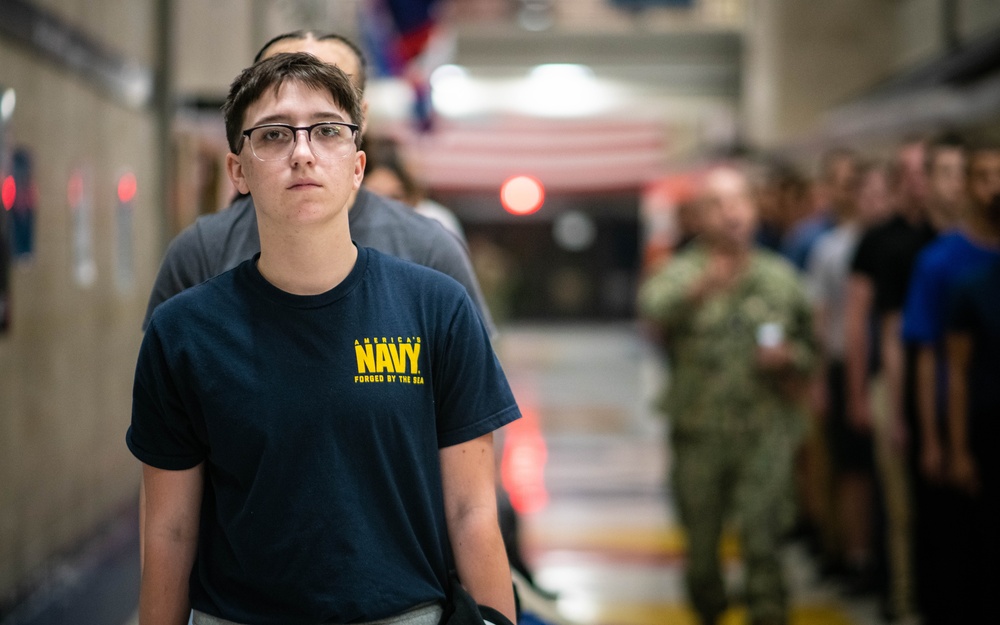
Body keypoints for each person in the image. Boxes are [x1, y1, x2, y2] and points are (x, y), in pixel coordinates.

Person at [128, 53, 519, 625]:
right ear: (238, 171)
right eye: (275, 135)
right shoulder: (183, 331)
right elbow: (169, 530)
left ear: (357, 166)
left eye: (327, 131)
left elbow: (471, 509)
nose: (303, 152)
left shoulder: (435, 307)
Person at [142, 30, 494, 338]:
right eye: (277, 129)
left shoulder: (428, 248)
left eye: (325, 120)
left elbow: (467, 401)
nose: (302, 151)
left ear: (359, 120)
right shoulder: (202, 251)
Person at [638, 165, 817, 625]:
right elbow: (653, 313)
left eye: (740, 202)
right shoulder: (680, 273)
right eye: (717, 205)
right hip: (699, 432)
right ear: (698, 217)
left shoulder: (780, 277)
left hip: (764, 430)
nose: (732, 214)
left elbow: (814, 349)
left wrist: (790, 357)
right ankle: (711, 610)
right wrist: (701, 290)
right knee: (701, 550)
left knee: (764, 541)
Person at [841, 137, 943, 621]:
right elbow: (862, 319)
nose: (921, 181)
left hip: (946, 385)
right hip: (893, 377)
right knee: (898, 501)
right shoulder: (880, 240)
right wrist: (859, 391)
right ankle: (899, 595)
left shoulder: (950, 239)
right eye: (915, 171)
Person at [901, 140, 1000, 625]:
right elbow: (928, 357)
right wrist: (937, 439)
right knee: (960, 549)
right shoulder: (941, 264)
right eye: (982, 177)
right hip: (962, 417)